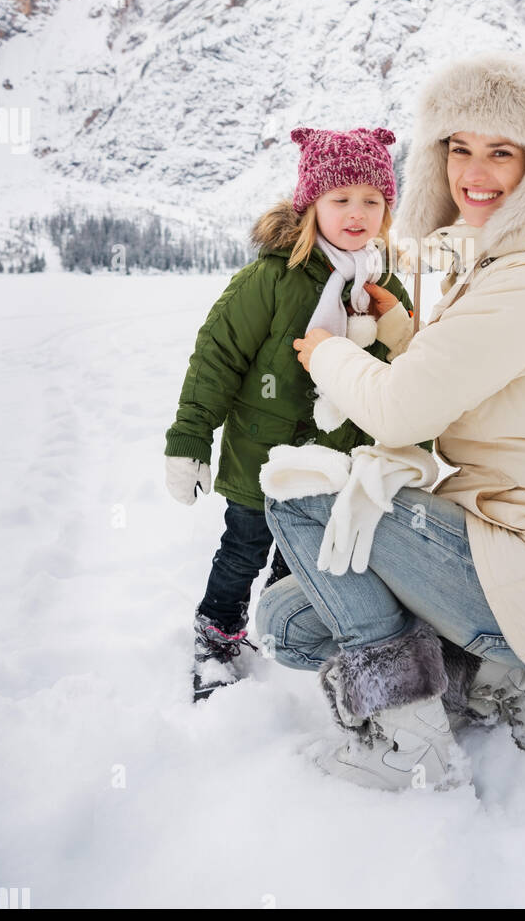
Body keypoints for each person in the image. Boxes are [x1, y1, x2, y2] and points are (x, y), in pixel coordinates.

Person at [255, 48, 525, 791]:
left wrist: (323, 354)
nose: (474, 172)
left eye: (501, 151)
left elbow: (398, 409)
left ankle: (410, 727)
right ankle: (499, 670)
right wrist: (406, 336)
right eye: (458, 148)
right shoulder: (523, 257)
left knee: (300, 490)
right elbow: (474, 376)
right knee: (290, 620)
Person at [163, 125, 424, 701]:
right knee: (243, 549)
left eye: (372, 200)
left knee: (303, 557)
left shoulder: (384, 285)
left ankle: (280, 636)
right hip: (262, 459)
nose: (357, 213)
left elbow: (409, 376)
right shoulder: (270, 280)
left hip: (335, 465)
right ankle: (217, 634)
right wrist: (188, 440)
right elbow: (217, 359)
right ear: (311, 204)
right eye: (340, 199)